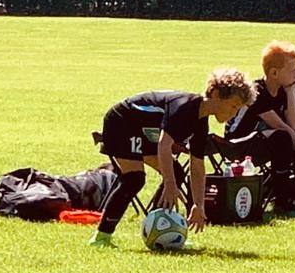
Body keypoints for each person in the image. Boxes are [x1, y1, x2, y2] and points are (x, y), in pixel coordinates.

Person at [89, 69, 256, 247]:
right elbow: (164, 145)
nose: (234, 114)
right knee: (134, 179)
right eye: (233, 106)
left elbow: (197, 166)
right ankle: (101, 237)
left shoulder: (201, 123)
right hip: (121, 122)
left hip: (143, 130)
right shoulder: (184, 108)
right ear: (216, 94)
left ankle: (157, 229)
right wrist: (170, 184)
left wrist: (199, 205)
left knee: (176, 173)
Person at [224, 40, 295, 214]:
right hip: (239, 144)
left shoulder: (283, 90)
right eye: (292, 70)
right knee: (283, 138)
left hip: (265, 140)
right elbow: (282, 127)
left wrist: (291, 93)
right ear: (274, 73)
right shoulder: (257, 92)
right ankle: (282, 201)